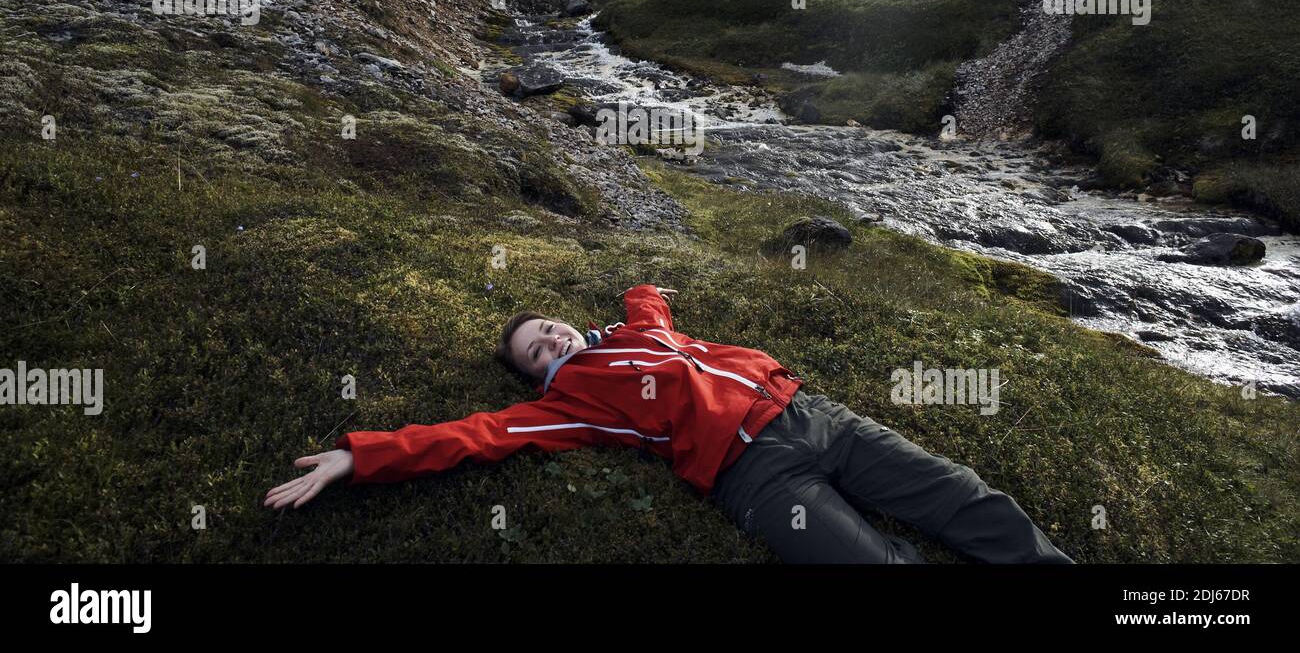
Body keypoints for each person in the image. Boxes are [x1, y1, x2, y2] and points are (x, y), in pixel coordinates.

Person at [265, 283, 1073, 564]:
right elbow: (473, 435)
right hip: (756, 476)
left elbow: (649, 303)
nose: (548, 339)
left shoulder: (636, 332)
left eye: (547, 326)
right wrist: (357, 458)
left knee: (968, 501)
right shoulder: (564, 405)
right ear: (536, 374)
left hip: (817, 416)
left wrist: (642, 291)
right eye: (532, 350)